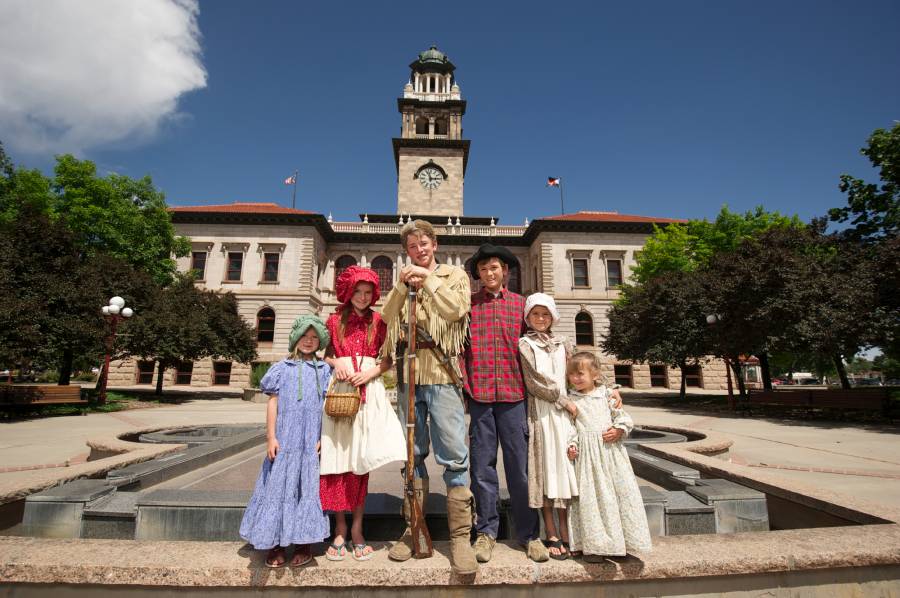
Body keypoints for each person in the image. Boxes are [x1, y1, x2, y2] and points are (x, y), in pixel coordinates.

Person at [380, 219, 477, 575]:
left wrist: (428, 280)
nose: (418, 251)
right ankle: (412, 527)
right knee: (413, 454)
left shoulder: (453, 275)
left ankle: (461, 538)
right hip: (409, 378)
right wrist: (400, 287)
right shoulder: (402, 281)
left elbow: (456, 311)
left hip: (442, 374)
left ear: (434, 244)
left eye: (423, 244)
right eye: (412, 247)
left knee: (453, 455)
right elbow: (387, 319)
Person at [464, 244, 548, 563]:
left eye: (494, 267)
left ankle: (529, 535)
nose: (489, 273)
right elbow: (460, 348)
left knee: (520, 471)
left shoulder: (523, 307)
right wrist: (464, 383)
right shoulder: (469, 306)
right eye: (483, 269)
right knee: (482, 469)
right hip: (481, 397)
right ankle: (486, 533)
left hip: (514, 397)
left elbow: (542, 346)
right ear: (478, 275)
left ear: (506, 271)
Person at [320, 266, 406, 562]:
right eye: (357, 291)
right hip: (340, 393)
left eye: (368, 292)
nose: (362, 297)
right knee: (337, 459)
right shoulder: (333, 320)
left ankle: (357, 528)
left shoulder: (379, 321)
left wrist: (369, 373)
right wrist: (336, 363)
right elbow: (325, 352)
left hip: (368, 393)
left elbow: (388, 360)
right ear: (348, 291)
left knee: (360, 461)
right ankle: (339, 529)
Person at [239, 315, 333, 568]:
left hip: (310, 441)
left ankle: (304, 543)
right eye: (304, 336)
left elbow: (328, 407)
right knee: (278, 488)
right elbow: (273, 403)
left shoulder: (325, 371)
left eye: (314, 338)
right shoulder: (281, 368)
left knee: (307, 488)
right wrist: (271, 437)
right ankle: (276, 543)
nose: (309, 341)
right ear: (295, 338)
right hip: (285, 439)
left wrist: (325, 437)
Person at [565, 351, 652, 561]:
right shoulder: (571, 400)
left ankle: (621, 543)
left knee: (618, 496)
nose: (576, 378)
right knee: (591, 501)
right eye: (572, 375)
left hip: (610, 454)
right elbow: (570, 427)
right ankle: (594, 545)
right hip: (587, 459)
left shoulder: (606, 394)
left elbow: (623, 417)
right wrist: (572, 444)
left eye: (580, 374)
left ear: (595, 375)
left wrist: (619, 429)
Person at [518, 292, 579, 560]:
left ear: (552, 316)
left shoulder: (563, 342)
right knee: (544, 471)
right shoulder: (525, 344)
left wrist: (608, 391)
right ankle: (551, 532)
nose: (540, 319)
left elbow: (578, 373)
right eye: (535, 314)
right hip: (542, 413)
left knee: (565, 471)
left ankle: (568, 531)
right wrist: (564, 400)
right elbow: (534, 381)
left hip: (565, 417)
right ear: (527, 317)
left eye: (545, 314)